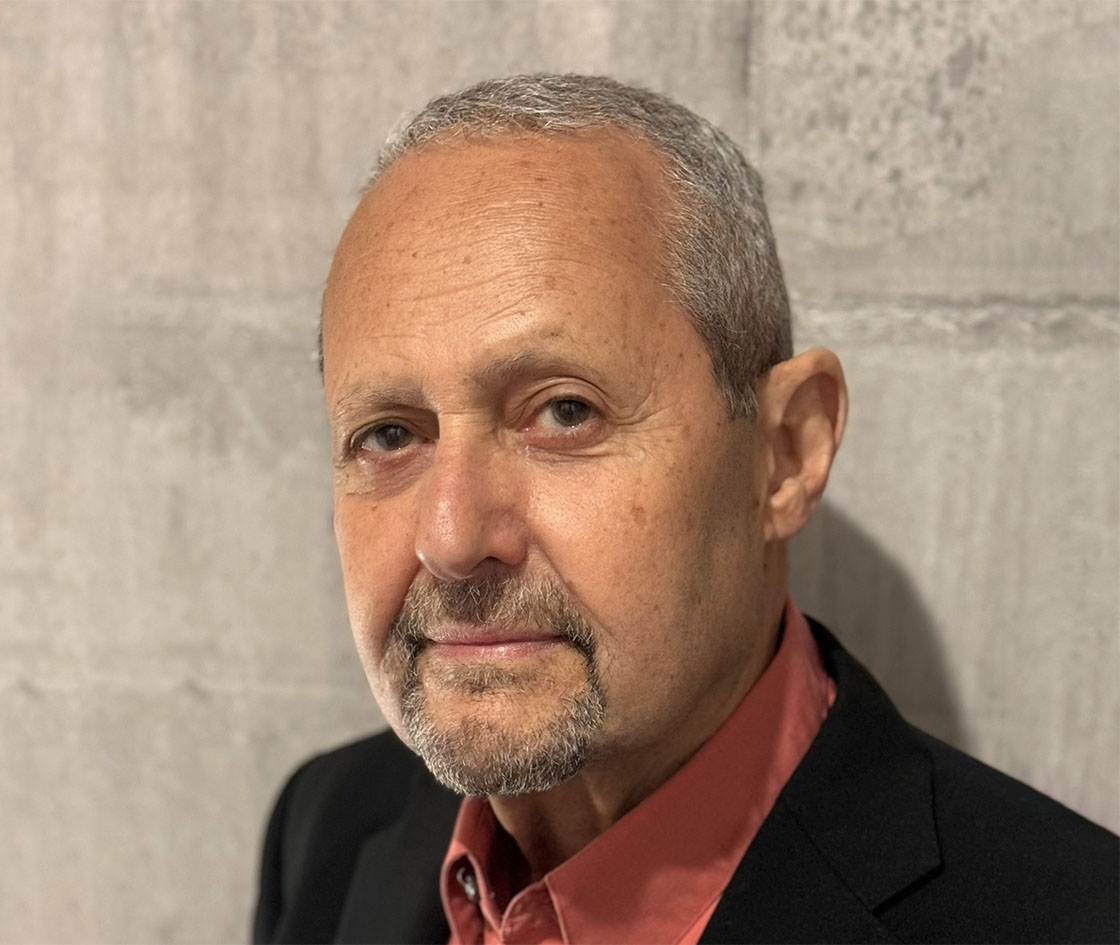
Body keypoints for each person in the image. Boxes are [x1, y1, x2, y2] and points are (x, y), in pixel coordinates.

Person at [253, 74, 1118, 945]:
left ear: (785, 452)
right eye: (390, 434)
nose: (451, 537)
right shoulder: (326, 827)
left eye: (564, 412)